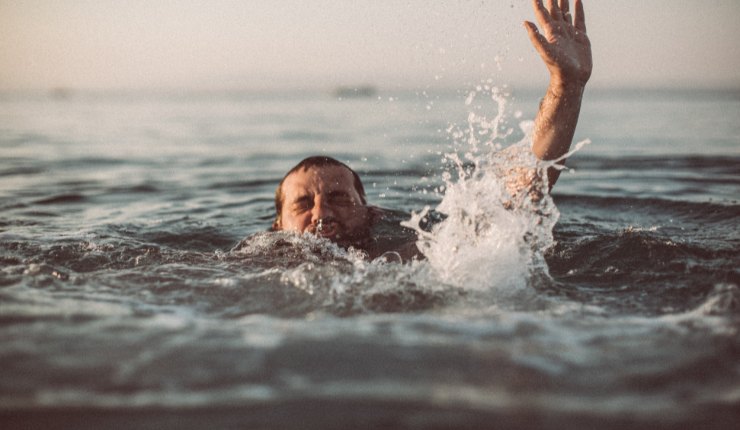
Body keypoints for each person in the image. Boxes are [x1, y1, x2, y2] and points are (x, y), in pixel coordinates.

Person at [270, 0, 592, 259]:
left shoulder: (414, 252)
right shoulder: (252, 265)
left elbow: (515, 202)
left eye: (339, 198)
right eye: (301, 204)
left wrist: (565, 89)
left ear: (371, 212)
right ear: (278, 225)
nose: (321, 212)